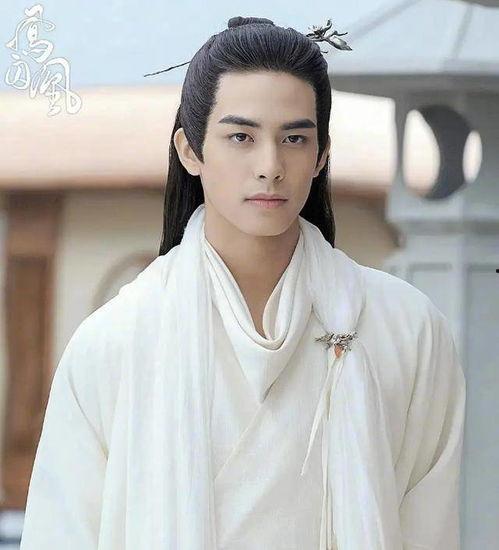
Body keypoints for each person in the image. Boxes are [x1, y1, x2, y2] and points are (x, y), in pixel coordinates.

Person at [20, 16, 466, 550]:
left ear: (322, 154)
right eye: (241, 137)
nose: (270, 166)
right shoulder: (115, 342)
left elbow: (432, 530)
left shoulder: (406, 329)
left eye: (294, 138)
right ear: (190, 151)